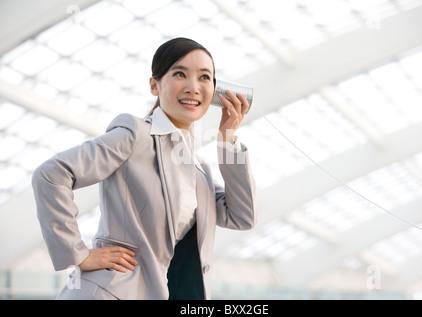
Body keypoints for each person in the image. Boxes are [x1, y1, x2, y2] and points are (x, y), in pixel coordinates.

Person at [31, 37, 257, 300]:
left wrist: (227, 140)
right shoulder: (135, 135)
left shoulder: (199, 170)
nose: (193, 87)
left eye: (205, 77)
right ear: (154, 85)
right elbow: (51, 174)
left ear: (215, 91)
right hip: (108, 292)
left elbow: (242, 216)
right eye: (180, 74)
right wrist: (78, 254)